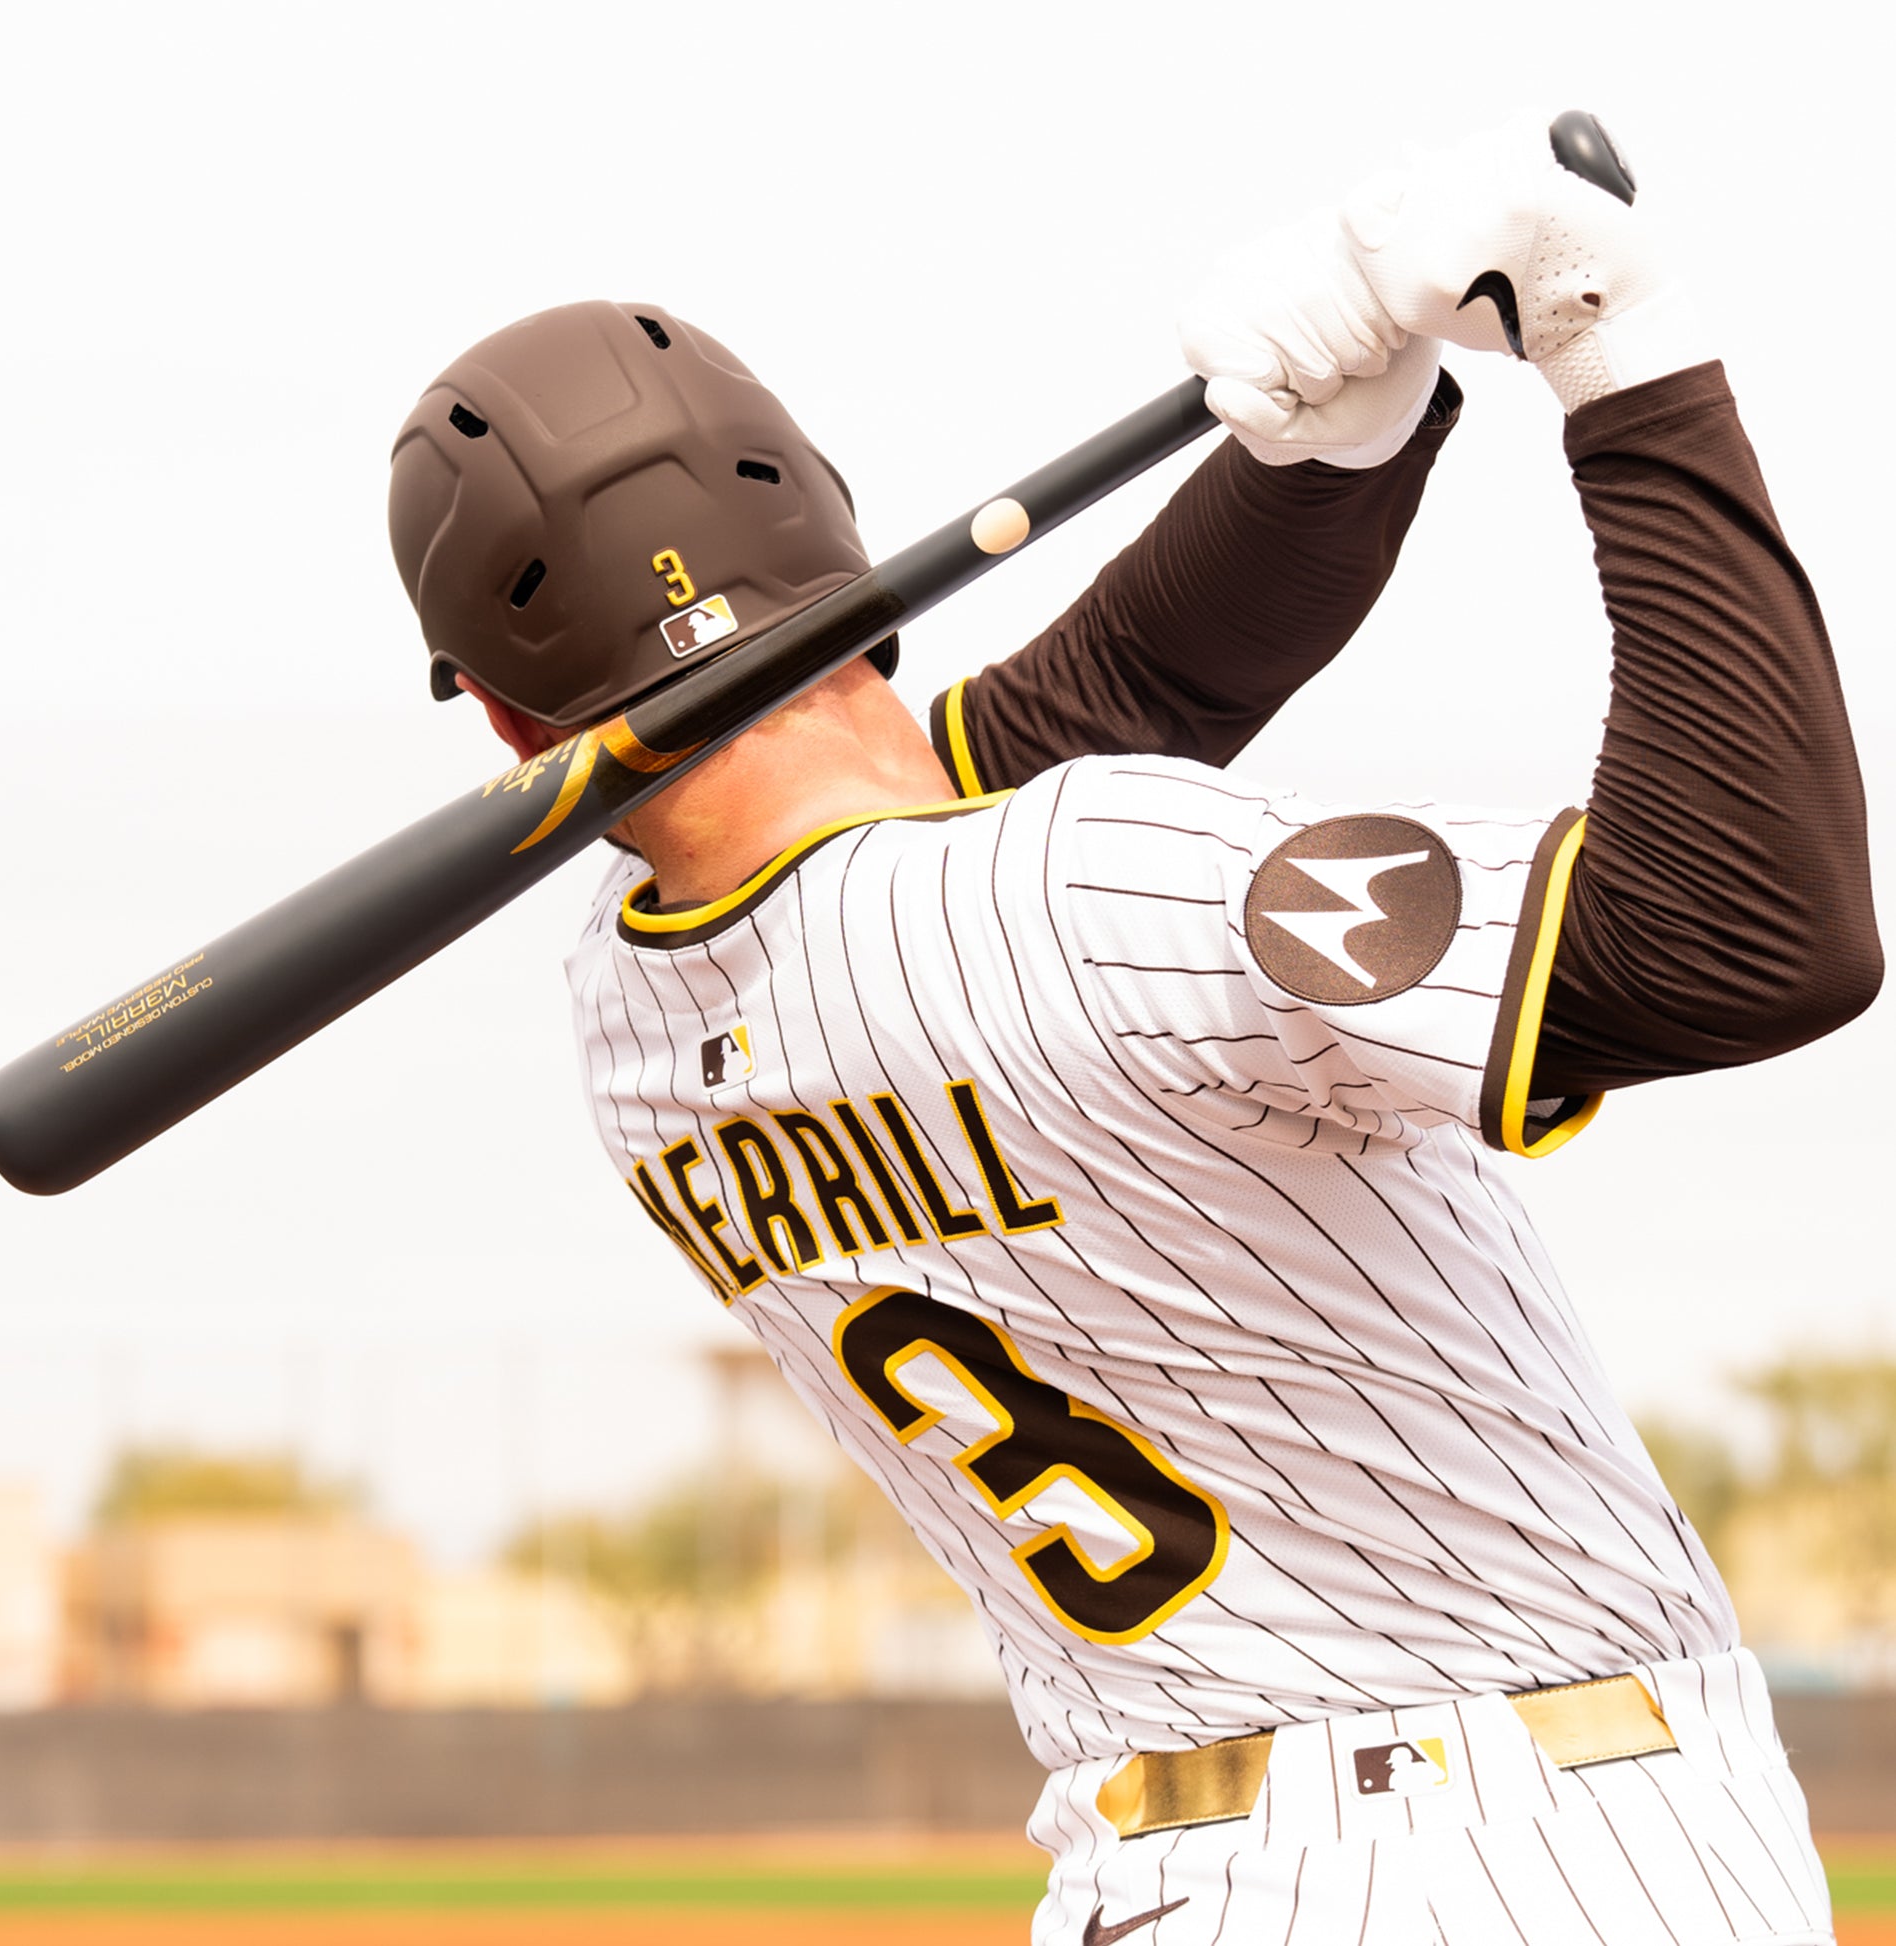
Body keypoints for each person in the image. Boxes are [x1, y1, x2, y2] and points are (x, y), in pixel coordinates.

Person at [387, 110, 1878, 1946]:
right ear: (840, 549)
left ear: (509, 725)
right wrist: (1618, 350)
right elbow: (1747, 936)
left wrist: (1330, 452)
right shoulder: (1098, 878)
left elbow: (1121, 692)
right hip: (1530, 1852)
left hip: (1156, 1878)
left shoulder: (632, 1022)